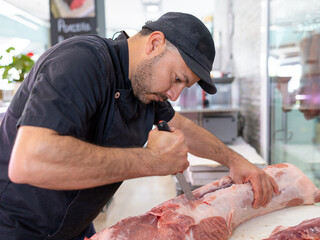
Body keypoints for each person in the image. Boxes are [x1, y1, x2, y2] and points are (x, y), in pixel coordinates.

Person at [0, 12, 279, 240]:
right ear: (155, 43)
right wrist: (153, 162)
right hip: (14, 227)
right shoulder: (80, 61)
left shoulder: (143, 87)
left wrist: (234, 160)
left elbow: (182, 126)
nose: (175, 94)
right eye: (177, 78)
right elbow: (29, 162)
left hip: (74, 227)